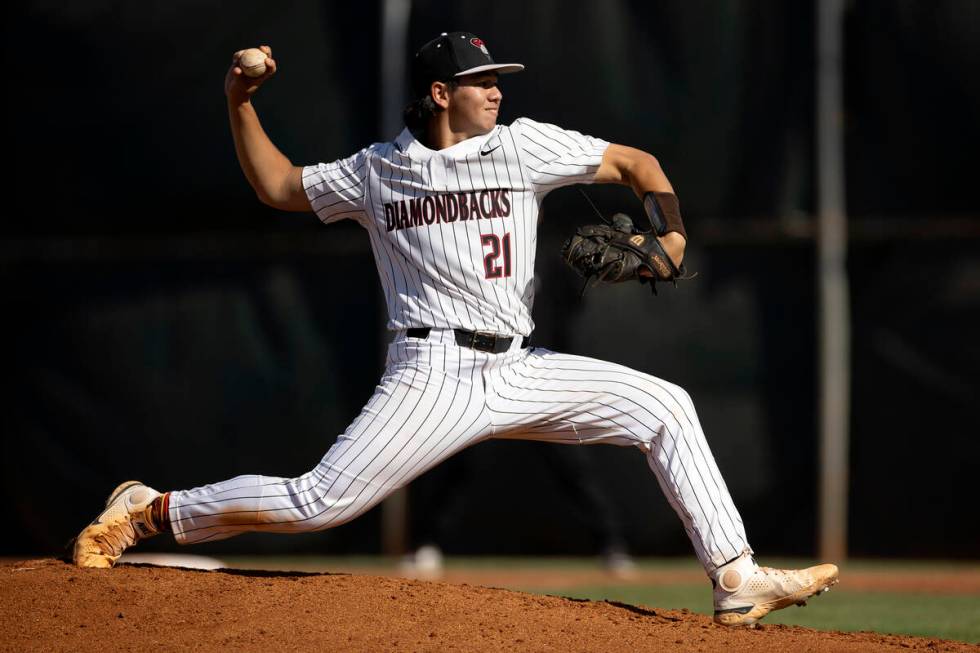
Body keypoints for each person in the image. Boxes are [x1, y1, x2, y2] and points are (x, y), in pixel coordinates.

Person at [73, 31, 838, 626]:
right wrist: (240, 98)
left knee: (665, 405)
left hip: (520, 365)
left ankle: (735, 577)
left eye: (499, 80)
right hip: (430, 373)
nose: (497, 92)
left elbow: (637, 163)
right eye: (482, 82)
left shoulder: (523, 144)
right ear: (440, 93)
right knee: (318, 502)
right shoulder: (379, 170)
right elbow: (277, 186)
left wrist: (668, 236)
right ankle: (150, 508)